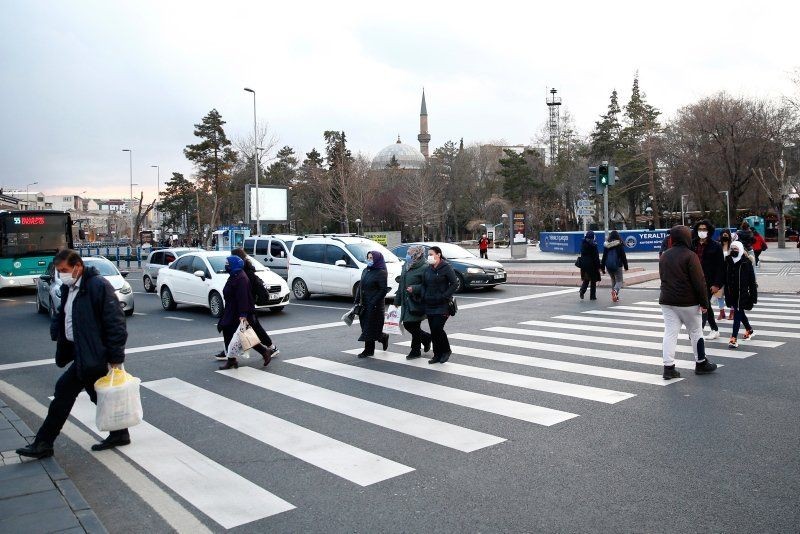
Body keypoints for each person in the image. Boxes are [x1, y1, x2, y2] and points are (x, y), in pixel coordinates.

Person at [16, 249, 131, 458]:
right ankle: (120, 433)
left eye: (64, 270)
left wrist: (115, 359)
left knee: (63, 392)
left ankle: (44, 443)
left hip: (94, 355)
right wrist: (57, 330)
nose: (61, 274)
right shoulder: (71, 287)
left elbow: (116, 324)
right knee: (98, 394)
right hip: (82, 352)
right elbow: (66, 314)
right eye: (59, 271)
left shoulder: (98, 286)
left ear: (78, 266)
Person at [658, 225, 718, 379]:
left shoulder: (664, 255)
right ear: (686, 237)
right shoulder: (690, 255)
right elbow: (699, 282)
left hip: (667, 301)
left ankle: (668, 368)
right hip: (688, 302)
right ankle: (701, 363)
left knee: (670, 333)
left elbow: (663, 277)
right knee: (696, 331)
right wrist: (705, 303)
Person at [210, 248, 279, 361]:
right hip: (240, 307)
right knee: (237, 331)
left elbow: (243, 292)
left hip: (244, 307)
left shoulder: (243, 273)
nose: (227, 264)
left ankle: (268, 349)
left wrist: (243, 312)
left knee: (246, 332)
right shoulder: (239, 272)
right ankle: (230, 354)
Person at [422, 245, 458, 364]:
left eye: (431, 254)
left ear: (438, 255)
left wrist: (444, 296)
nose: (429, 256)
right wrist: (424, 295)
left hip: (442, 304)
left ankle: (446, 350)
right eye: (429, 254)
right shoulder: (428, 268)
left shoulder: (446, 267)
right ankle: (437, 354)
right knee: (433, 330)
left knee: (438, 328)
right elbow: (424, 284)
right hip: (430, 303)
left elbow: (454, 284)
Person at [395, 245, 432, 359]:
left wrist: (415, 288)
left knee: (410, 324)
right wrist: (397, 300)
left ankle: (416, 349)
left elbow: (429, 285)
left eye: (410, 253)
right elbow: (401, 284)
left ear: (419, 254)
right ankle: (424, 340)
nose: (408, 255)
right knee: (411, 324)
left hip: (416, 301)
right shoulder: (406, 266)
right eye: (408, 252)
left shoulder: (425, 267)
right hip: (406, 301)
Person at [691, 219, 725, 340]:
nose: (702, 231)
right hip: (694, 281)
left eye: (704, 229)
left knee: (704, 305)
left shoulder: (716, 246)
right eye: (700, 229)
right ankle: (714, 329)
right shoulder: (692, 244)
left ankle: (698, 332)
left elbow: (721, 267)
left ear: (709, 231)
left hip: (709, 282)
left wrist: (717, 284)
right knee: (706, 305)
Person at [724, 241, 758, 348]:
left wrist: (753, 297)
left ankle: (733, 338)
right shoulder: (728, 261)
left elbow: (752, 282)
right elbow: (725, 279)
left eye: (736, 249)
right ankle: (749, 329)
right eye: (732, 249)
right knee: (740, 312)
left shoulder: (746, 263)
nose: (733, 251)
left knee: (737, 315)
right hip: (731, 294)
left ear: (741, 250)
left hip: (742, 294)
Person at [356, 251, 390, 358]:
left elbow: (383, 290)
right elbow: (360, 286)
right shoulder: (365, 270)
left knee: (369, 328)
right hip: (364, 303)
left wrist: (373, 302)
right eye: (368, 258)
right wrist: (357, 300)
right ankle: (382, 337)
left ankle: (369, 350)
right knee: (366, 326)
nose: (369, 260)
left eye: (371, 258)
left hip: (375, 306)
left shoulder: (381, 272)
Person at [600, 230, 628, 302]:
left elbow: (604, 257)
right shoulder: (619, 244)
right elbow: (623, 256)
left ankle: (615, 296)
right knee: (619, 281)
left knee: (613, 280)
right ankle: (615, 291)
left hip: (608, 266)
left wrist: (602, 267)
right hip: (617, 265)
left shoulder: (607, 245)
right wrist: (626, 266)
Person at [578, 230, 601, 300]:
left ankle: (582, 290)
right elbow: (596, 257)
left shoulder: (583, 243)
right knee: (593, 280)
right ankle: (592, 296)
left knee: (586, 279)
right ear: (592, 237)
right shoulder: (593, 245)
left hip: (584, 264)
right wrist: (598, 266)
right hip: (592, 265)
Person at [716, 229, 734, 320]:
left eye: (727, 234)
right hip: (720, 272)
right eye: (723, 234)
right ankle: (721, 312)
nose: (725, 236)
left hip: (730, 273)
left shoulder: (733, 246)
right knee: (719, 293)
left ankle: (732, 312)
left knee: (731, 293)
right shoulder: (718, 246)